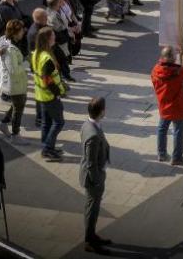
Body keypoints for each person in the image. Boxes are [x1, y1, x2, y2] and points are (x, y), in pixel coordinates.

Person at [152, 45, 183, 165]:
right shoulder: (178, 72)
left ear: (162, 57)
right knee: (178, 132)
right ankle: (177, 157)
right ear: (173, 59)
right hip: (177, 107)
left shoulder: (155, 70)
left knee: (162, 129)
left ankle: (161, 154)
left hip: (164, 105)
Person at [81, 96, 113, 253]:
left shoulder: (88, 124)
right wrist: (98, 180)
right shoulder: (93, 135)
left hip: (95, 175)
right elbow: (91, 163)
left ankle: (92, 235)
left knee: (93, 207)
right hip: (93, 179)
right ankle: (89, 241)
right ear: (101, 111)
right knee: (92, 209)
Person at [32, 26, 68, 161]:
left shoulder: (36, 53)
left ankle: (48, 147)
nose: (55, 38)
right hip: (50, 96)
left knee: (46, 122)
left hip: (40, 95)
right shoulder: (47, 58)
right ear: (47, 39)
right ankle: (47, 148)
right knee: (59, 122)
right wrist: (58, 92)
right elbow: (47, 80)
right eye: (53, 36)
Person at [0, 19, 29, 138]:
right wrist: (27, 63)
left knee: (18, 103)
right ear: (14, 33)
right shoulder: (10, 49)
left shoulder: (3, 39)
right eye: (21, 30)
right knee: (19, 106)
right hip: (13, 83)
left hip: (10, 81)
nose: (23, 32)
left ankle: (3, 123)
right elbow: (13, 70)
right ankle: (15, 135)